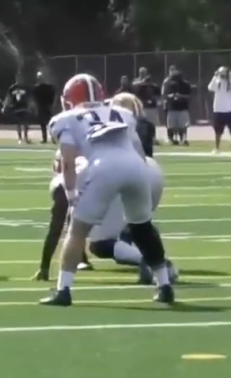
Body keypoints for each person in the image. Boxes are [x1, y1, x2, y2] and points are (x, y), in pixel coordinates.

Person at [40, 74, 175, 306]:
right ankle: (164, 285)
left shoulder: (66, 118)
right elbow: (139, 150)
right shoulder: (122, 113)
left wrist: (72, 195)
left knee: (77, 231)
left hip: (103, 169)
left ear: (70, 98)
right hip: (135, 167)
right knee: (143, 228)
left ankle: (63, 290)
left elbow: (68, 160)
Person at [162, 66, 192, 146]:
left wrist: (181, 96)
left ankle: (183, 139)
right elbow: (164, 95)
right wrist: (171, 96)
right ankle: (171, 139)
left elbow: (189, 96)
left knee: (183, 126)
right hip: (172, 107)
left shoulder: (185, 84)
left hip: (182, 107)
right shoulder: (167, 83)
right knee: (171, 125)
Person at [132, 67, 161, 143]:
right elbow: (134, 87)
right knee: (141, 124)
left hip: (151, 107)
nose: (142, 74)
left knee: (152, 123)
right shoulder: (136, 81)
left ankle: (153, 138)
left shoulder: (150, 83)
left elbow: (157, 90)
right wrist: (143, 82)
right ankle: (141, 138)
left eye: (144, 73)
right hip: (141, 106)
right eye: (141, 73)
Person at [2, 73, 32, 144]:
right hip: (16, 107)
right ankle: (20, 138)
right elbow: (8, 98)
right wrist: (5, 106)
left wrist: (31, 105)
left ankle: (26, 137)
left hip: (24, 107)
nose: (20, 79)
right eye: (18, 78)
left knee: (25, 123)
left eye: (21, 78)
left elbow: (29, 98)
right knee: (18, 124)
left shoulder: (25, 88)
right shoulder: (12, 88)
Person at [209, 66, 231, 153]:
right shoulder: (217, 81)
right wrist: (215, 77)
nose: (222, 75)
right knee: (218, 131)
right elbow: (210, 87)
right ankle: (217, 148)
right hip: (218, 109)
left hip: (229, 110)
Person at [32, 72, 56, 144]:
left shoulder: (49, 87)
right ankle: (44, 138)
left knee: (50, 123)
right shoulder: (36, 87)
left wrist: (52, 104)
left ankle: (53, 138)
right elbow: (34, 98)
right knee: (42, 124)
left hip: (47, 106)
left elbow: (53, 95)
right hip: (41, 106)